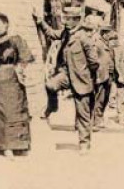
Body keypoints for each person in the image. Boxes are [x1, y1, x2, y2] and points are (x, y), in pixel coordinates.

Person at [38, 9, 99, 155]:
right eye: (65, 18)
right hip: (65, 74)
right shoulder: (66, 33)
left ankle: (84, 143)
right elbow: (52, 34)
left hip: (81, 79)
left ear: (77, 20)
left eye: (70, 19)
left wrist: (86, 75)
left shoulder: (84, 38)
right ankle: (53, 106)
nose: (66, 21)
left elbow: (94, 62)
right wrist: (40, 22)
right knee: (50, 85)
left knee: (82, 114)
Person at [0, 11, 34, 157]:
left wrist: (18, 70)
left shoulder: (15, 39)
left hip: (11, 82)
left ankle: (11, 146)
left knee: (10, 112)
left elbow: (25, 58)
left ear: (6, 24)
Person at [91, 24, 114, 131]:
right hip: (101, 75)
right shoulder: (98, 44)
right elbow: (94, 59)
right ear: (104, 33)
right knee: (99, 98)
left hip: (108, 75)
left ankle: (99, 118)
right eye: (109, 33)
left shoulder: (107, 44)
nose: (110, 35)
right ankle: (96, 121)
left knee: (105, 98)